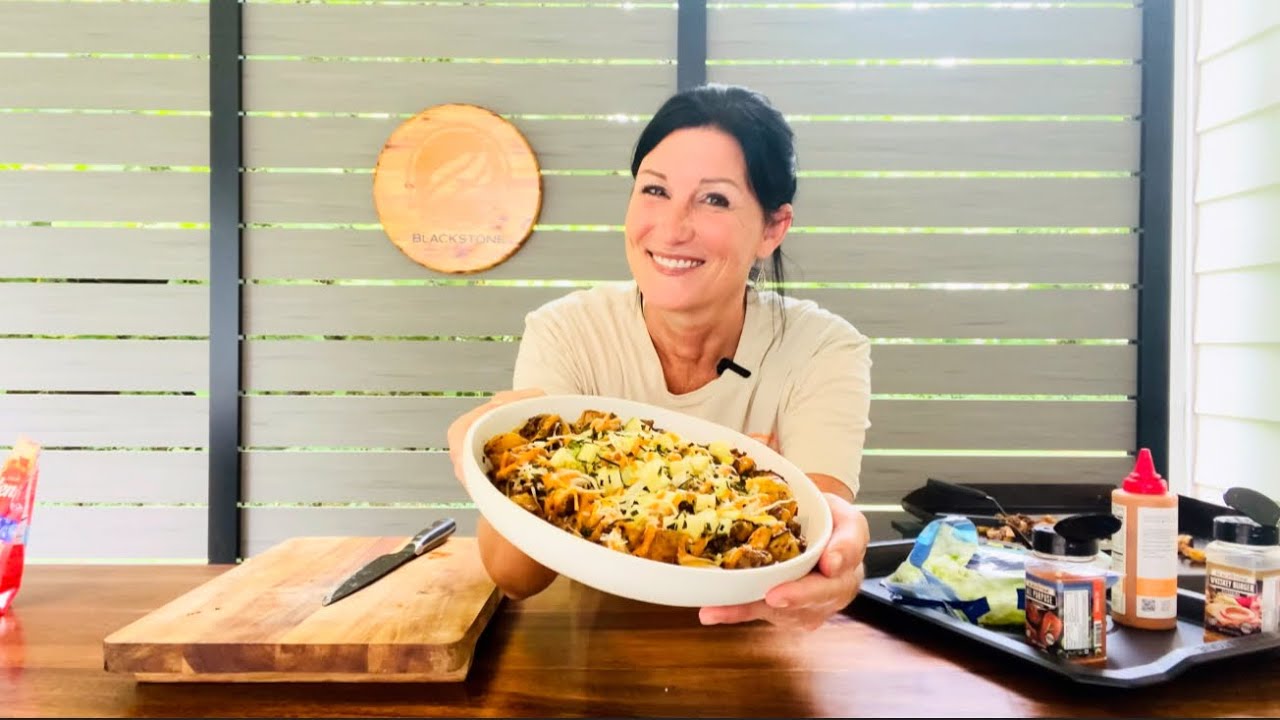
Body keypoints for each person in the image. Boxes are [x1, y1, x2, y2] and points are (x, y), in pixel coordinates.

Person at [447, 83, 872, 632]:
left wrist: (836, 567)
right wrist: (515, 450)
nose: (672, 228)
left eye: (714, 199)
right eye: (654, 190)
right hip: (593, 647)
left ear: (773, 228)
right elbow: (516, 578)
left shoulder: (823, 350)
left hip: (751, 645)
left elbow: (810, 553)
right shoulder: (568, 331)